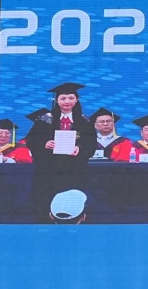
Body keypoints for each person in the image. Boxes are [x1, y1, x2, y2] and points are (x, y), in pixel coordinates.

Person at [26, 83, 99, 222]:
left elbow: (91, 144)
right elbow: (31, 140)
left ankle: (75, 221)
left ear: (77, 100)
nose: (67, 101)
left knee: (72, 200)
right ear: (57, 100)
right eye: (63, 98)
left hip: (74, 170)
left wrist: (80, 148)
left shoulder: (84, 121)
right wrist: (44, 144)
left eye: (71, 98)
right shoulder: (45, 119)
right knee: (46, 198)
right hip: (49, 170)